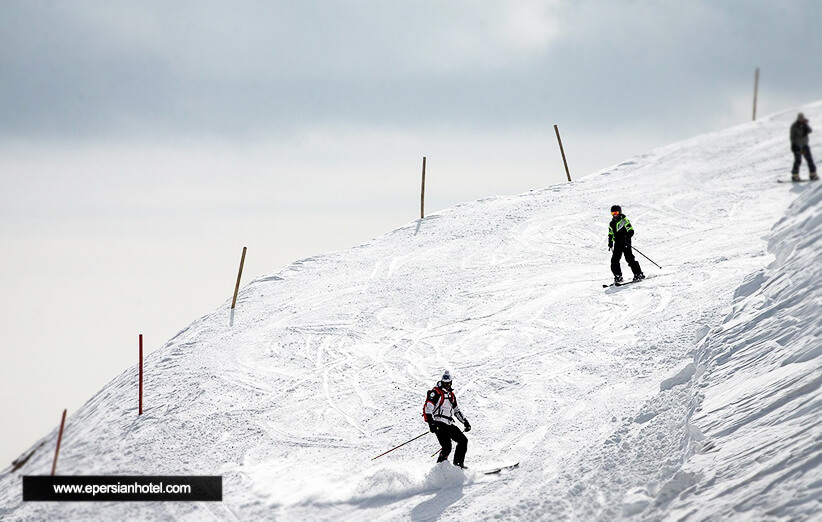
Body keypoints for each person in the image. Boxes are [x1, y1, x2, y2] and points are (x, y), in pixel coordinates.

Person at [422, 370, 471, 469]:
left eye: (449, 383)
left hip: (448, 423)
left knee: (463, 440)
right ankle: (439, 471)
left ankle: (458, 465)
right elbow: (428, 408)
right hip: (438, 423)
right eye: (445, 384)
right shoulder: (435, 392)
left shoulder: (451, 395)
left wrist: (465, 422)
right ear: (442, 382)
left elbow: (456, 411)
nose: (447, 385)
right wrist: (431, 424)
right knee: (447, 447)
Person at [608, 205, 644, 283]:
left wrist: (625, 238)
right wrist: (610, 242)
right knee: (614, 260)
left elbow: (631, 231)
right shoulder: (611, 223)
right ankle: (618, 276)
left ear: (620, 212)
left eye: (616, 212)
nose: (615, 214)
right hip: (617, 243)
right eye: (613, 213)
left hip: (625, 242)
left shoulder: (624, 220)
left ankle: (638, 274)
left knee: (629, 258)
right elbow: (610, 233)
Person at [790, 113, 818, 181]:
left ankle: (813, 174)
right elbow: (792, 136)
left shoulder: (805, 125)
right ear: (798, 118)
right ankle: (795, 175)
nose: (802, 119)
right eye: (800, 118)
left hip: (805, 145)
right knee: (798, 160)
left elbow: (810, 131)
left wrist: (805, 125)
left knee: (809, 160)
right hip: (797, 146)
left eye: (802, 118)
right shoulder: (794, 126)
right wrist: (793, 145)